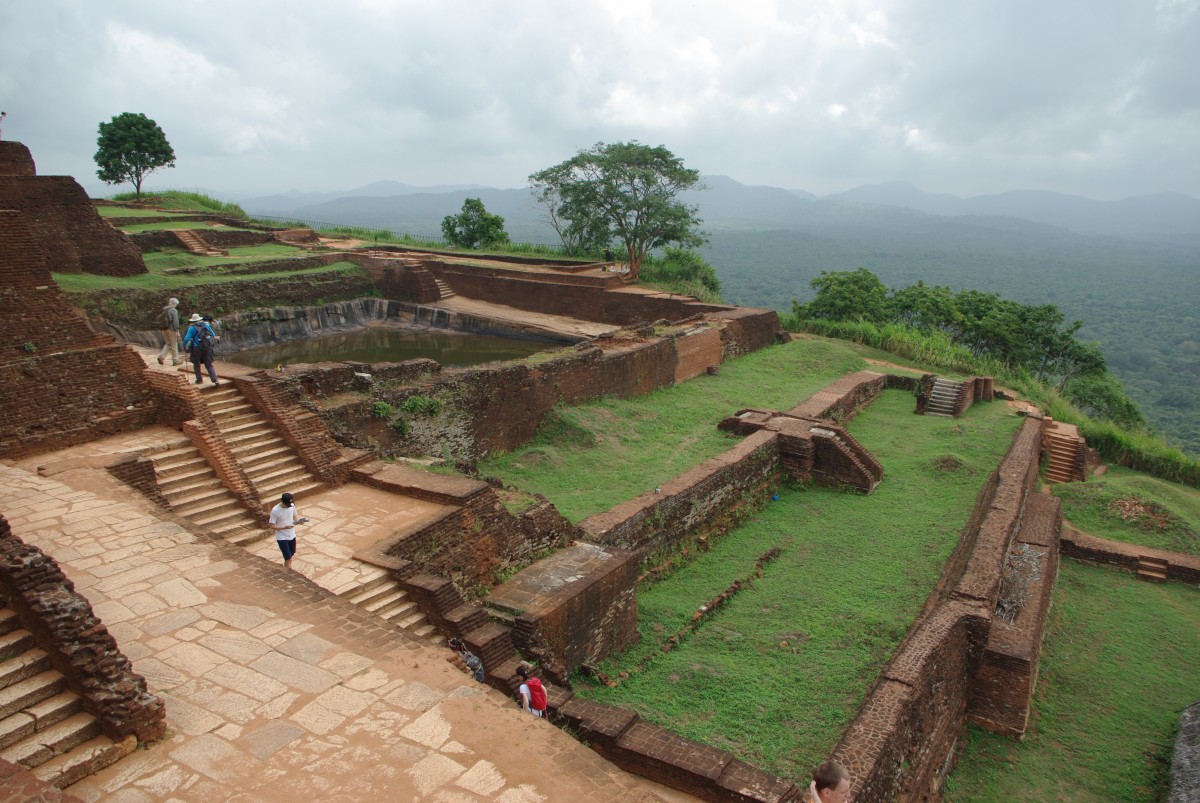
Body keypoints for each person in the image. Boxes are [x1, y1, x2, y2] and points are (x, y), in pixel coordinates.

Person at [268, 492, 308, 569]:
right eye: (287, 505)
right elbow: (271, 525)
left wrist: (300, 522)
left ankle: (287, 567)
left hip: (292, 535)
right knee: (288, 558)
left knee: (291, 554)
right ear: (282, 501)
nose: (289, 506)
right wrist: (284, 527)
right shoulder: (275, 510)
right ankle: (288, 571)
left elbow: (295, 519)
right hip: (282, 537)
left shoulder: (291, 506)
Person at [182, 313, 219, 385]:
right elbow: (213, 335)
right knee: (209, 364)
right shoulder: (206, 325)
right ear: (199, 319)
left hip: (197, 347)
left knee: (196, 364)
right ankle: (215, 379)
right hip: (207, 347)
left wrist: (184, 346)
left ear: (193, 321)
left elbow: (186, 338)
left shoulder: (192, 328)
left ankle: (199, 379)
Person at [156, 297, 182, 366]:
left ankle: (161, 357)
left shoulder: (165, 310)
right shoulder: (173, 310)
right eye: (176, 304)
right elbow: (175, 321)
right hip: (171, 329)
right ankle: (175, 360)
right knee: (174, 344)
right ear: (174, 303)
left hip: (163, 329)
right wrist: (177, 330)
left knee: (168, 343)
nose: (176, 305)